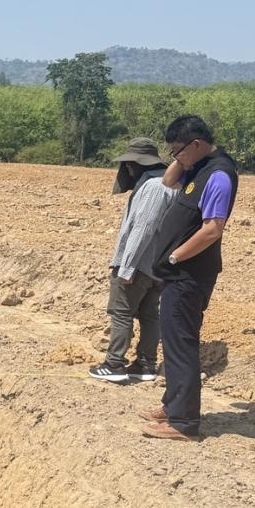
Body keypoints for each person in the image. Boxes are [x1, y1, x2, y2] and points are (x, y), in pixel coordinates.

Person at [141, 115, 239, 441]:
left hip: (189, 275)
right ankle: (173, 406)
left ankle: (183, 423)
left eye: (178, 150)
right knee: (172, 341)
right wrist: (181, 159)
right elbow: (168, 182)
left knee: (182, 344)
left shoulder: (219, 176)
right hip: (178, 274)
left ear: (197, 144)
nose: (176, 157)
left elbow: (212, 229)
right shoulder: (197, 166)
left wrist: (175, 256)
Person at [89, 138, 174, 383]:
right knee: (149, 315)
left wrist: (127, 267)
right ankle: (145, 364)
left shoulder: (154, 186)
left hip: (139, 265)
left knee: (121, 312)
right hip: (157, 266)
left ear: (139, 164)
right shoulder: (168, 183)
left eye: (129, 164)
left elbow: (143, 229)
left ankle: (114, 365)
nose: (127, 168)